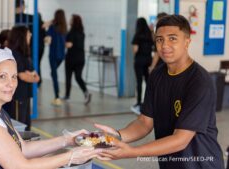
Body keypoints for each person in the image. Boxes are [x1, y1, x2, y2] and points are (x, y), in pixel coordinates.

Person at [95, 15, 225, 169]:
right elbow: (144, 122)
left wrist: (132, 152)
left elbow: (181, 139)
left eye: (172, 39)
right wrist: (117, 136)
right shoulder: (157, 75)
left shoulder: (200, 82)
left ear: (187, 42)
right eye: (159, 39)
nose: (165, 45)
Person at [0, 47, 100, 168]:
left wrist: (68, 140)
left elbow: (24, 149)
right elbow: (20, 166)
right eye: (2, 76)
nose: (11, 84)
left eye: (14, 76)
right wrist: (71, 156)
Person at [6, 25, 40, 131]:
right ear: (21, 37)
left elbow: (36, 76)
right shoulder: (15, 54)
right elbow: (22, 75)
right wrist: (30, 76)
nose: (30, 36)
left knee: (26, 126)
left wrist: (31, 76)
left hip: (25, 96)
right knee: (18, 126)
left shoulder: (25, 54)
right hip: (17, 97)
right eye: (28, 34)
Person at [15, 0, 47, 87]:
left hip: (15, 51)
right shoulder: (31, 19)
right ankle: (35, 86)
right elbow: (42, 30)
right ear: (23, 6)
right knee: (32, 69)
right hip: (30, 49)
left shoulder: (10, 18)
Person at [64, 14, 91, 105]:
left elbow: (69, 45)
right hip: (81, 58)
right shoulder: (82, 33)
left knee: (68, 77)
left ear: (74, 22)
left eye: (71, 19)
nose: (69, 20)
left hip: (71, 58)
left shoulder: (71, 32)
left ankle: (67, 96)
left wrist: (62, 43)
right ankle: (86, 92)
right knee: (78, 77)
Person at [130, 17, 154, 114]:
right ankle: (148, 102)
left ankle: (139, 103)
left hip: (139, 61)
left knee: (139, 82)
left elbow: (135, 50)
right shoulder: (150, 35)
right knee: (148, 82)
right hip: (148, 60)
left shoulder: (137, 35)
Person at [47, 9, 67, 106]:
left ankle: (57, 97)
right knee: (53, 74)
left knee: (54, 75)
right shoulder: (64, 29)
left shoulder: (51, 27)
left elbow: (48, 40)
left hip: (53, 55)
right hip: (61, 56)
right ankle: (57, 94)